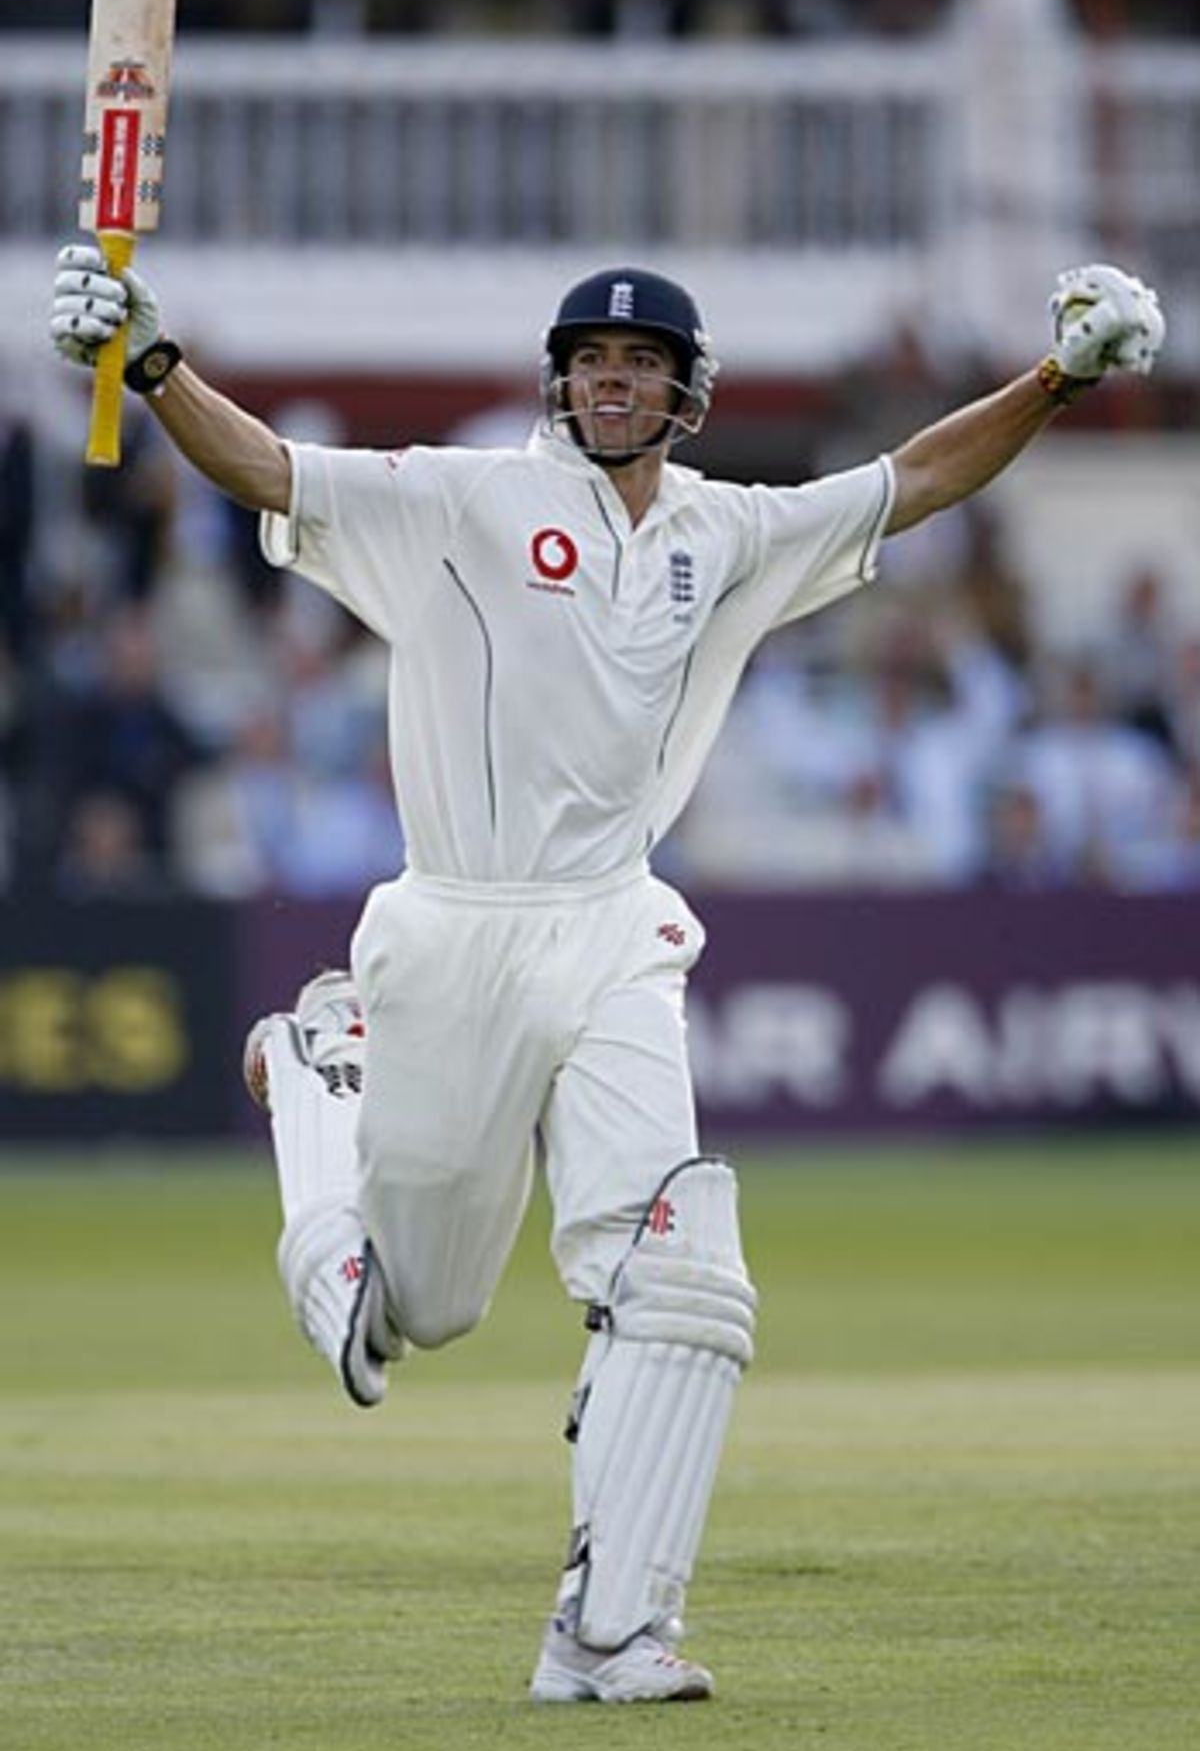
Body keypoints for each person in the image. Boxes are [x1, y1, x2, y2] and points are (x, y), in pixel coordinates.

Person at [49, 243, 1164, 1701]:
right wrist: (153, 364)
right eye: (591, 362)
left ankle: (605, 1634)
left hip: (617, 927)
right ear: (559, 382)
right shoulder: (462, 502)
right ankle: (324, 1076)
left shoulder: (729, 530)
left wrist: (1058, 377)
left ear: (686, 392)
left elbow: (915, 479)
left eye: (640, 364)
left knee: (683, 1275)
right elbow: (271, 471)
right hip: (458, 926)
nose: (613, 383)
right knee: (408, 1317)